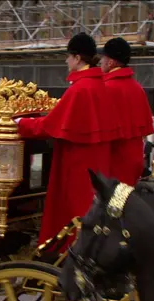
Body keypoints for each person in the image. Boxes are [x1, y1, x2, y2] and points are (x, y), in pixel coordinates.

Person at [14, 32, 120, 252]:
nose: (66, 61)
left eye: (68, 56)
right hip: (98, 168)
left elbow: (48, 126)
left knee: (71, 217)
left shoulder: (80, 89)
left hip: (76, 168)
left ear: (78, 58)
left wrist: (21, 123)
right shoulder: (102, 87)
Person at [99, 37, 154, 186]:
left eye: (103, 59)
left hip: (113, 165)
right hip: (134, 165)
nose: (100, 63)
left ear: (110, 62)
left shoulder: (106, 88)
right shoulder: (138, 88)